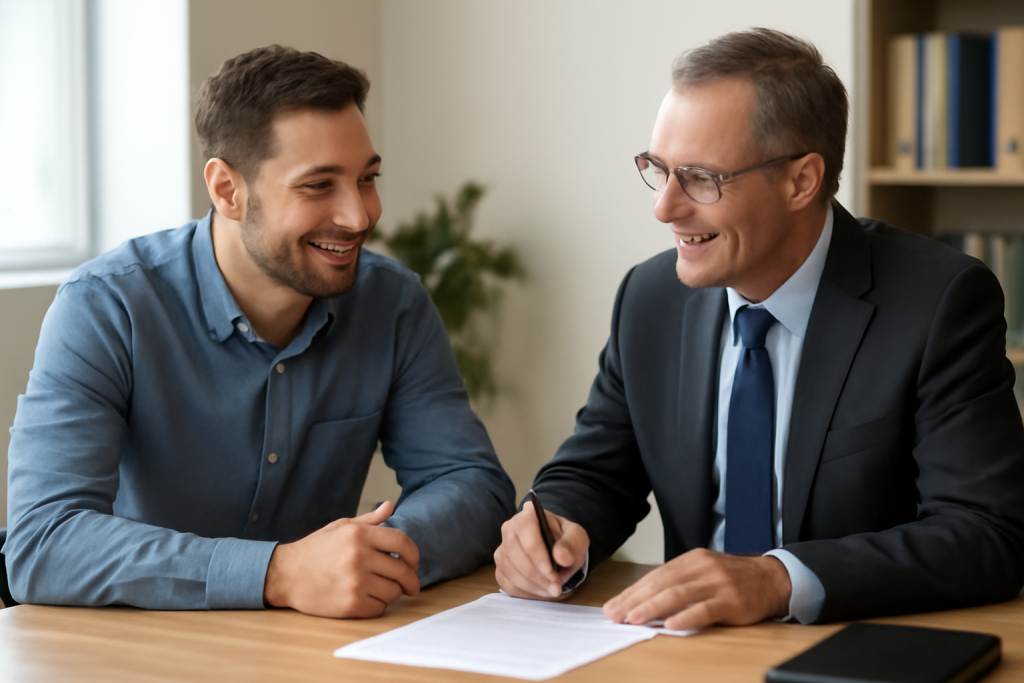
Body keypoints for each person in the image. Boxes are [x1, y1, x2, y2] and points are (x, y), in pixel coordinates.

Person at [494, 28, 1024, 628]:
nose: (664, 208)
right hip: (691, 654)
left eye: (700, 178)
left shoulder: (937, 302)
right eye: (658, 168)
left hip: (853, 650)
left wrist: (778, 579)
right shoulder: (650, 299)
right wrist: (554, 528)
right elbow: (595, 473)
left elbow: (987, 534)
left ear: (801, 180)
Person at [5, 45, 515, 618]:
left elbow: (474, 488)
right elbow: (43, 541)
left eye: (366, 178)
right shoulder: (106, 307)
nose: (359, 216)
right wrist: (277, 573)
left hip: (311, 652)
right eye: (319, 185)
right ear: (227, 189)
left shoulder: (393, 304)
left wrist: (370, 556)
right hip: (141, 651)